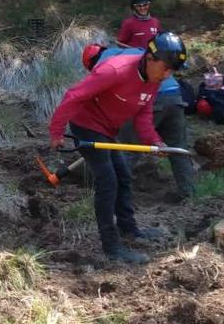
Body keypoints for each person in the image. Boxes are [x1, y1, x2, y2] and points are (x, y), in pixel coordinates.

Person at [50, 33, 188, 264]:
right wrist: (56, 131)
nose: (168, 75)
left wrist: (156, 141)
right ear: (150, 58)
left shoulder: (153, 81)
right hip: (86, 126)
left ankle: (130, 229)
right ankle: (112, 248)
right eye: (165, 68)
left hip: (108, 130)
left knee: (123, 175)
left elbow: (143, 116)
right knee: (108, 181)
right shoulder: (115, 70)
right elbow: (74, 95)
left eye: (172, 71)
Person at [83, 43, 195, 200]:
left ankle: (114, 195)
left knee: (128, 147)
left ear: (91, 62)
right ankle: (189, 192)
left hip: (150, 98)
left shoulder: (105, 62)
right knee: (177, 148)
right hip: (175, 97)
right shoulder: (134, 52)